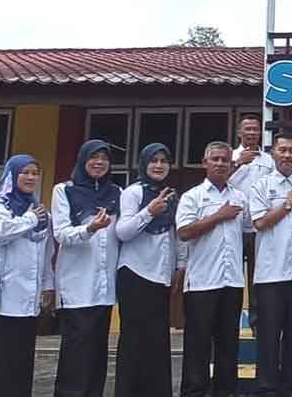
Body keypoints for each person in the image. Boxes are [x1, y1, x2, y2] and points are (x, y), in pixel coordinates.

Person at [0, 154, 54, 397]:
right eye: (25, 172)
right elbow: (0, 231)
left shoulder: (42, 214)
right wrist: (30, 218)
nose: (31, 177)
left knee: (20, 365)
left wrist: (48, 286)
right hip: (0, 301)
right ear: (12, 175)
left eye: (34, 173)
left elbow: (46, 255)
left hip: (27, 303)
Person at [51, 139, 122, 397]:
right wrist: (90, 228)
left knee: (97, 351)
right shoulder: (65, 191)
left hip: (104, 286)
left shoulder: (116, 193)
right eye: (93, 157)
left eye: (104, 158)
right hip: (76, 284)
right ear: (83, 160)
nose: (99, 162)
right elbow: (61, 233)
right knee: (75, 351)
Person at [176, 141, 247, 397]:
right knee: (198, 345)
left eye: (224, 160)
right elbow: (184, 232)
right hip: (202, 283)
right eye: (214, 159)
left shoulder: (239, 197)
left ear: (231, 165)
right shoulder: (192, 196)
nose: (219, 164)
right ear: (205, 163)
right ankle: (195, 392)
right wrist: (219, 215)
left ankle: (225, 391)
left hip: (232, 282)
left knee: (229, 344)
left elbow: (249, 232)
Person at [249, 132, 292, 397]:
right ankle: (267, 388)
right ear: (273, 153)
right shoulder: (261, 186)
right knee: (268, 336)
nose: (287, 155)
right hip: (270, 274)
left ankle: (290, 387)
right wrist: (288, 204)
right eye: (282, 150)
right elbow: (260, 223)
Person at [115, 143, 179, 397]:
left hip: (160, 276)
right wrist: (149, 212)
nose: (159, 165)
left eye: (164, 161)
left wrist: (178, 267)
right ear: (143, 163)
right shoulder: (133, 192)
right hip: (135, 273)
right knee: (133, 340)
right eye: (154, 160)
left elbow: (174, 236)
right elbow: (123, 231)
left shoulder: (170, 195)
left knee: (157, 341)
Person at [229, 114, 273, 331]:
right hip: (234, 226)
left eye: (255, 129)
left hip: (259, 227)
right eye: (247, 129)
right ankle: (231, 321)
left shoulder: (268, 160)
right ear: (239, 132)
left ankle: (257, 324)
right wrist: (238, 163)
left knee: (257, 277)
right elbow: (219, 181)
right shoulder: (228, 156)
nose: (252, 133)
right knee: (232, 275)